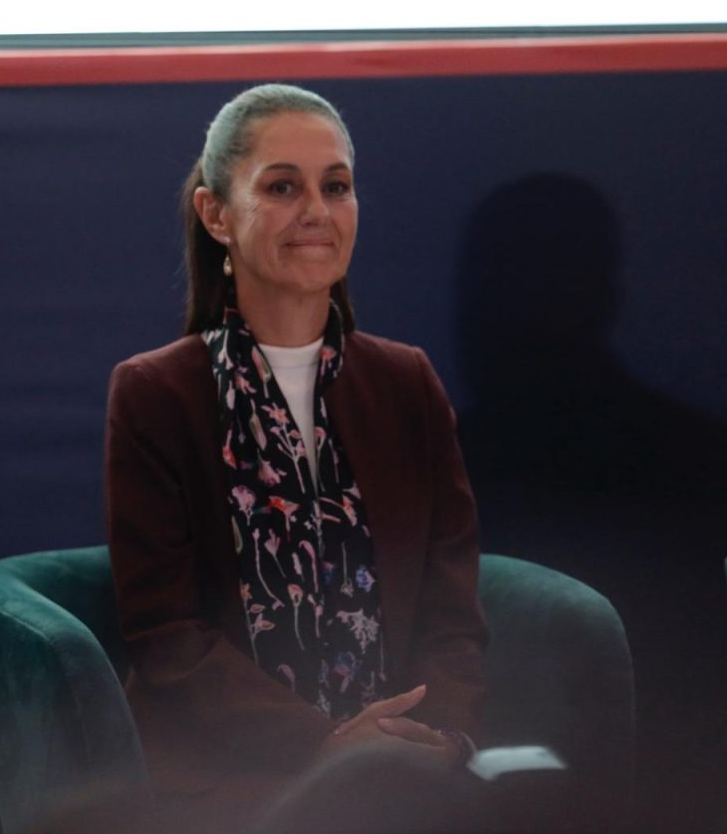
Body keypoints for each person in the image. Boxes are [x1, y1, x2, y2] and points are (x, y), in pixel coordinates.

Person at [104, 84, 487, 829]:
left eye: (335, 186)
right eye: (283, 186)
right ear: (216, 214)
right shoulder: (156, 392)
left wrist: (433, 737)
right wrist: (327, 745)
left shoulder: (407, 383)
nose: (317, 210)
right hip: (233, 772)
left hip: (410, 765)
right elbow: (167, 636)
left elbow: (454, 615)